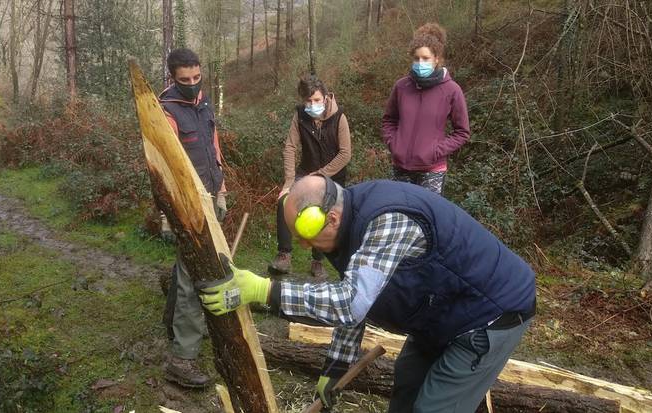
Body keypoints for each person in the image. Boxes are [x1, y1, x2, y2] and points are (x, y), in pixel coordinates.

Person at [199, 176, 536, 413]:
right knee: (406, 386)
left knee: (434, 407)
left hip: (489, 313)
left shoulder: (388, 219)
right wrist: (335, 369)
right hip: (440, 311)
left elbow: (349, 302)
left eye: (305, 234)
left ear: (330, 216)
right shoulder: (346, 225)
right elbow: (359, 295)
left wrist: (264, 290)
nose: (302, 246)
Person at [158, 48, 227, 389]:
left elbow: (213, 148)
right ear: (172, 78)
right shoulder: (166, 111)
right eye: (184, 80)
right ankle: (182, 359)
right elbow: (164, 165)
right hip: (186, 204)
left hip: (211, 196)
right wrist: (168, 215)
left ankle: (173, 324)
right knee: (191, 275)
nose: (191, 84)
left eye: (196, 77)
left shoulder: (203, 101)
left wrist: (223, 188)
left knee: (188, 267)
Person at [268, 75, 351, 279]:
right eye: (308, 101)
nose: (312, 104)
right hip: (305, 171)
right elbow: (290, 147)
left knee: (324, 212)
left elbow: (345, 154)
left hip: (332, 177)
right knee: (284, 201)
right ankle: (284, 255)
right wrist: (289, 182)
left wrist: (321, 174)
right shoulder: (300, 115)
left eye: (316, 100)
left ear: (325, 97)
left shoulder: (339, 117)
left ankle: (317, 261)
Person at [382, 23, 470, 195]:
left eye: (425, 58)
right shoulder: (402, 86)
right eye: (416, 58)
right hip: (401, 167)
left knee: (426, 217)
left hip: (432, 170)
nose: (420, 62)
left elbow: (462, 132)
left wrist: (435, 151)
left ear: (436, 58)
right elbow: (389, 120)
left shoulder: (452, 90)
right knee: (402, 216)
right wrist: (394, 144)